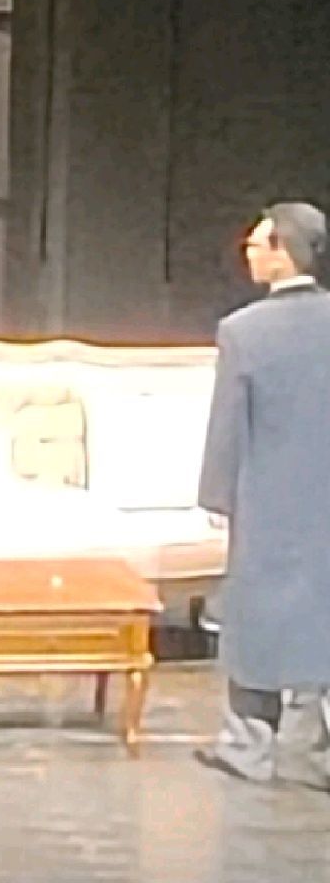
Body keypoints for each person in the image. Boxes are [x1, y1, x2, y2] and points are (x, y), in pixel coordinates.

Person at [196, 201, 330, 786]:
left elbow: (228, 423)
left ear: (283, 253)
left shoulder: (244, 331)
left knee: (256, 620)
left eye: (257, 243)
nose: (247, 252)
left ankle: (248, 748)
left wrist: (216, 496)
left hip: (269, 496)